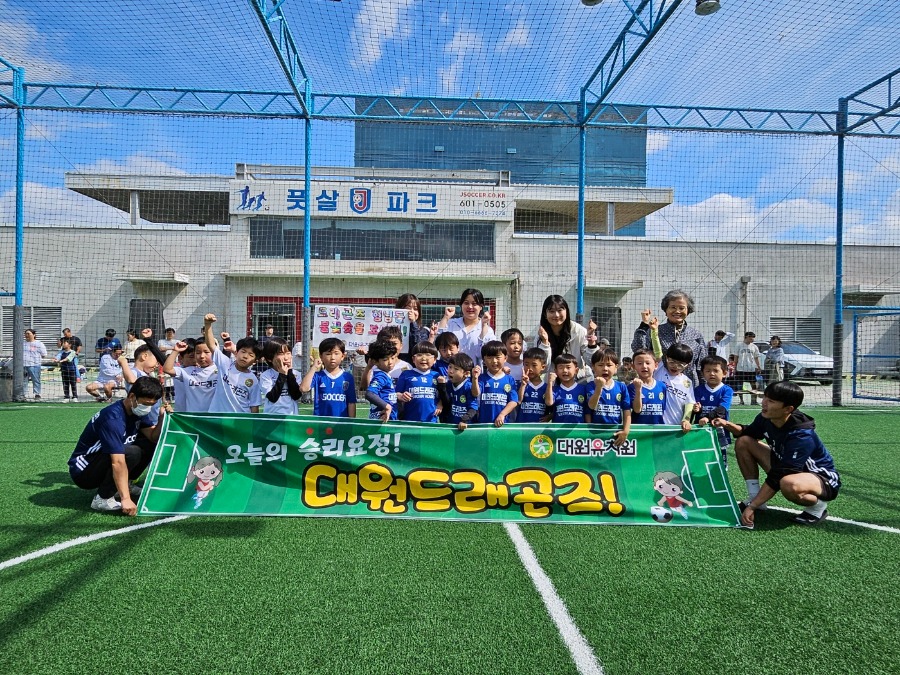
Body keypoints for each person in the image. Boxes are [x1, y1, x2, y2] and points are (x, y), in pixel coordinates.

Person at [713, 381, 841, 527]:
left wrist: (752, 507)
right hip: (787, 469)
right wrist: (726, 424)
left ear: (788, 409)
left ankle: (817, 507)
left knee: (788, 483)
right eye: (765, 397)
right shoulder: (766, 417)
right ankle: (754, 496)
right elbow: (749, 432)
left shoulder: (802, 435)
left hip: (822, 479)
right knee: (744, 441)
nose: (764, 403)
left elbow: (780, 474)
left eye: (771, 401)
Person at [67, 376, 163, 515]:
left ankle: (125, 485)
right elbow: (117, 462)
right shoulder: (112, 418)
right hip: (84, 471)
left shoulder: (136, 410)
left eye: (151, 405)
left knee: (148, 444)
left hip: (103, 459)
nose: (147, 408)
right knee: (131, 452)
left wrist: (161, 419)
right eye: (145, 404)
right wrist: (126, 499)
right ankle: (102, 498)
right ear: (132, 396)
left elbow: (153, 438)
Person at [632, 290, 707, 386]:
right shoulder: (655, 330)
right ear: (666, 310)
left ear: (688, 310)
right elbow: (638, 349)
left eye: (682, 308)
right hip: (659, 387)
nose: (677, 311)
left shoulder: (696, 335)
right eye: (673, 307)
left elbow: (702, 366)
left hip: (689, 389)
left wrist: (703, 390)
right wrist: (644, 325)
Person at [203, 313, 262, 413]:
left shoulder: (253, 380)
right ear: (236, 352)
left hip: (239, 422)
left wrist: (253, 426)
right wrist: (208, 324)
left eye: (251, 355)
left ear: (255, 361)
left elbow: (254, 406)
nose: (245, 356)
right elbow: (211, 345)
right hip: (217, 418)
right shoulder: (225, 363)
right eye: (243, 351)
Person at [534, 294, 598, 381]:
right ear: (545, 314)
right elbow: (543, 368)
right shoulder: (541, 335)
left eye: (560, 310)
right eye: (551, 311)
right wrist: (545, 343)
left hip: (579, 381)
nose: (556, 315)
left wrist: (591, 344)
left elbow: (592, 362)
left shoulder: (578, 331)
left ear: (566, 311)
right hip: (553, 383)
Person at [693, 355, 734, 468]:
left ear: (724, 373)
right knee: (701, 456)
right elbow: (695, 409)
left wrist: (707, 418)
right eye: (708, 371)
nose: (711, 374)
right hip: (701, 430)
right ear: (702, 373)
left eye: (716, 370)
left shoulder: (727, 390)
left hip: (719, 429)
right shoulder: (698, 390)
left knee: (721, 456)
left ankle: (722, 474)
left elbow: (722, 409)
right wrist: (696, 409)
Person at [436, 288, 496, 365]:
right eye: (466, 303)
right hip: (448, 373)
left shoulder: (487, 330)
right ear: (461, 305)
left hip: (474, 375)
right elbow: (436, 339)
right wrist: (446, 317)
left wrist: (484, 325)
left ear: (481, 307)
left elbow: (490, 352)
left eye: (474, 304)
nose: (470, 307)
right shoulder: (450, 323)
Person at [300, 337, 357, 418]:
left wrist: (351, 424)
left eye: (336, 353)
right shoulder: (318, 376)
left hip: (341, 423)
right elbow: (304, 388)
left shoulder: (347, 377)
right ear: (321, 356)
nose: (332, 357)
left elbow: (351, 402)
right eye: (328, 354)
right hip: (321, 423)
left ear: (343, 356)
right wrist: (313, 368)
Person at [587, 349, 633, 446]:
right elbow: (591, 406)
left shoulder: (621, 387)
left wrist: (625, 431)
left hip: (615, 432)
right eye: (600, 365)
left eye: (609, 365)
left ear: (616, 367)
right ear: (593, 367)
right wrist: (599, 387)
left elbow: (626, 410)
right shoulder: (590, 386)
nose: (605, 368)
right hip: (595, 433)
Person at [471, 340, 518, 426]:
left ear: (505, 358)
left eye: (497, 357)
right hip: (484, 425)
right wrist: (474, 378)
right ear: (484, 360)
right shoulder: (481, 378)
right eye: (489, 357)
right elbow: (475, 393)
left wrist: (502, 414)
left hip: (502, 425)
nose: (494, 361)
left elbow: (514, 401)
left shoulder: (509, 379)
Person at [164, 339, 217, 412]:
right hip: (191, 416)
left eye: (206, 352)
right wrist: (175, 350)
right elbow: (167, 369)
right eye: (198, 353)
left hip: (213, 416)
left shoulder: (220, 369)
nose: (201, 356)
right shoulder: (188, 371)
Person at [396, 341, 441, 423]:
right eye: (419, 355)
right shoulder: (406, 374)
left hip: (431, 421)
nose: (424, 358)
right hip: (409, 421)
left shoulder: (437, 376)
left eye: (428, 355)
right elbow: (395, 394)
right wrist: (401, 395)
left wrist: (440, 404)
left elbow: (442, 395)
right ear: (413, 359)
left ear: (434, 359)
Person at [259, 338, 303, 415]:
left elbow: (296, 395)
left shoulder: (296, 374)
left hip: (291, 418)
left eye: (288, 353)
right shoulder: (266, 375)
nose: (286, 357)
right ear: (269, 358)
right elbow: (272, 397)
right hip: (272, 418)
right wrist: (282, 375)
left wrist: (289, 372)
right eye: (281, 353)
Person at [436, 352, 479, 430]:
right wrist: (440, 403)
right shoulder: (448, 384)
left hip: (466, 428)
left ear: (466, 373)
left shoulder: (468, 387)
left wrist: (464, 420)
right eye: (450, 367)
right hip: (451, 426)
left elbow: (473, 409)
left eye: (456, 369)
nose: (451, 371)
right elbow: (447, 402)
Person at [545, 353, 591, 424]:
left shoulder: (584, 389)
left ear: (576, 370)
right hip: (558, 432)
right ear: (556, 371)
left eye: (568, 367)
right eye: (561, 367)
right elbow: (549, 403)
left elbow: (588, 411)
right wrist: (550, 382)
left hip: (578, 432)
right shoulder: (554, 389)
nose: (565, 371)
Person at [629, 349, 666, 425]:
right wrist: (638, 389)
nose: (644, 366)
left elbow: (662, 409)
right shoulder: (632, 387)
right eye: (639, 363)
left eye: (648, 363)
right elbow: (637, 410)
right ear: (633, 366)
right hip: (640, 430)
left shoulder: (662, 386)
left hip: (657, 430)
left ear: (655, 366)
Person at [365, 339, 399, 421]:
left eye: (392, 358)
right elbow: (370, 393)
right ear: (375, 362)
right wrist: (387, 407)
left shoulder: (385, 375)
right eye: (385, 359)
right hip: (381, 419)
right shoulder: (381, 376)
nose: (390, 362)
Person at [396, 293, 432, 362]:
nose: (412, 312)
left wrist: (413, 323)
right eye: (408, 308)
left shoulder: (424, 331)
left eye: (415, 309)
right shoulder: (393, 330)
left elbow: (418, 348)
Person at [517, 348, 549, 424]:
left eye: (534, 365)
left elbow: (554, 406)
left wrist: (549, 416)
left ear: (543, 367)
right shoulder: (520, 384)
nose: (530, 369)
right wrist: (523, 385)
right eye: (526, 364)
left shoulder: (547, 387)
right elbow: (518, 401)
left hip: (539, 429)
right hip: (521, 427)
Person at [733, 331, 762, 404]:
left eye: (753, 338)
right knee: (740, 385)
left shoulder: (754, 347)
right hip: (741, 368)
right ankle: (741, 401)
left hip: (751, 369)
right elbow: (736, 357)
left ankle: (754, 401)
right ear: (746, 337)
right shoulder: (739, 346)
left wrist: (758, 367)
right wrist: (734, 367)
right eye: (751, 338)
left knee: (753, 385)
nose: (752, 339)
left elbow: (756, 358)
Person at [23, 329, 48, 400]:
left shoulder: (39, 343)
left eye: (28, 334)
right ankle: (23, 394)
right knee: (24, 381)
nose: (26, 335)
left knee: (36, 380)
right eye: (26, 334)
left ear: (34, 335)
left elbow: (44, 354)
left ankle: (37, 394)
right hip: (23, 365)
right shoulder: (22, 343)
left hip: (34, 365)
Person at [54, 338, 79, 402]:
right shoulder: (61, 352)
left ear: (69, 345)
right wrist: (55, 360)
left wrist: (61, 361)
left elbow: (68, 358)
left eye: (65, 343)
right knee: (65, 384)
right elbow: (58, 357)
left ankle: (75, 397)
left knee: (73, 384)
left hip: (71, 370)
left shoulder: (73, 352)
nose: (63, 344)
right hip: (64, 370)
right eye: (63, 343)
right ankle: (66, 397)